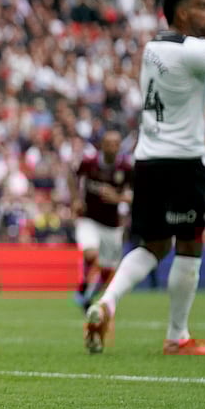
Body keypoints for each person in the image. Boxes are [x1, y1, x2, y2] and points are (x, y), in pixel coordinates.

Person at [84, 0, 205, 356]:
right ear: (181, 12)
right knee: (189, 244)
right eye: (202, 6)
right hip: (184, 165)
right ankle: (177, 336)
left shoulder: (154, 48)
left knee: (153, 244)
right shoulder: (196, 49)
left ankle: (107, 303)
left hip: (148, 162)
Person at [71, 130, 132, 312]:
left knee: (108, 272)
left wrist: (118, 198)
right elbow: (73, 177)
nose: (112, 148)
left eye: (116, 144)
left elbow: (138, 195)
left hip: (112, 225)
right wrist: (76, 199)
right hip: (88, 219)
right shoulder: (89, 163)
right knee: (92, 254)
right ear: (102, 146)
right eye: (109, 144)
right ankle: (85, 288)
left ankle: (86, 295)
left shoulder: (126, 168)